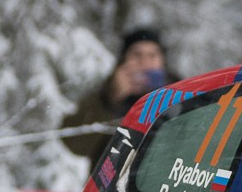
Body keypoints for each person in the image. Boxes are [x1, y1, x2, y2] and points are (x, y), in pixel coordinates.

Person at [63, 28, 170, 160]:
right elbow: (75, 144)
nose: (145, 62)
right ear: (124, 60)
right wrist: (111, 99)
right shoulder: (104, 95)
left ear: (163, 62)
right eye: (137, 55)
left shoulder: (184, 95)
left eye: (152, 55)